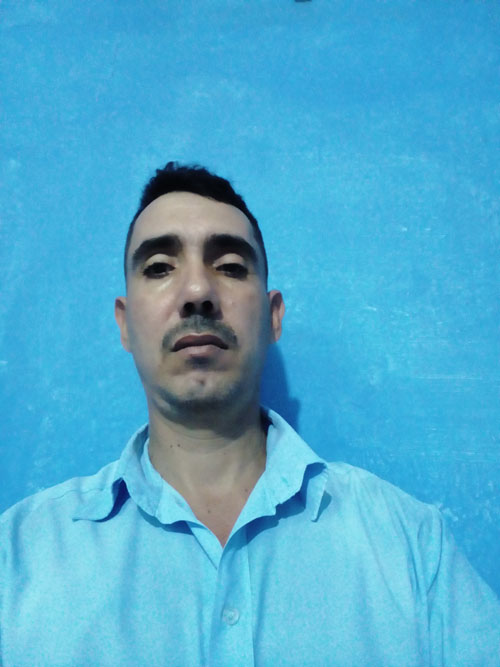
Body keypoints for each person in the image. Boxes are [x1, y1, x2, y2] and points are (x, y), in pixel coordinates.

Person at [1, 162, 499, 667]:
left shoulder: (411, 546)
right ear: (125, 324)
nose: (197, 292)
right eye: (160, 267)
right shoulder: (17, 559)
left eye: (231, 266)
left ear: (273, 316)